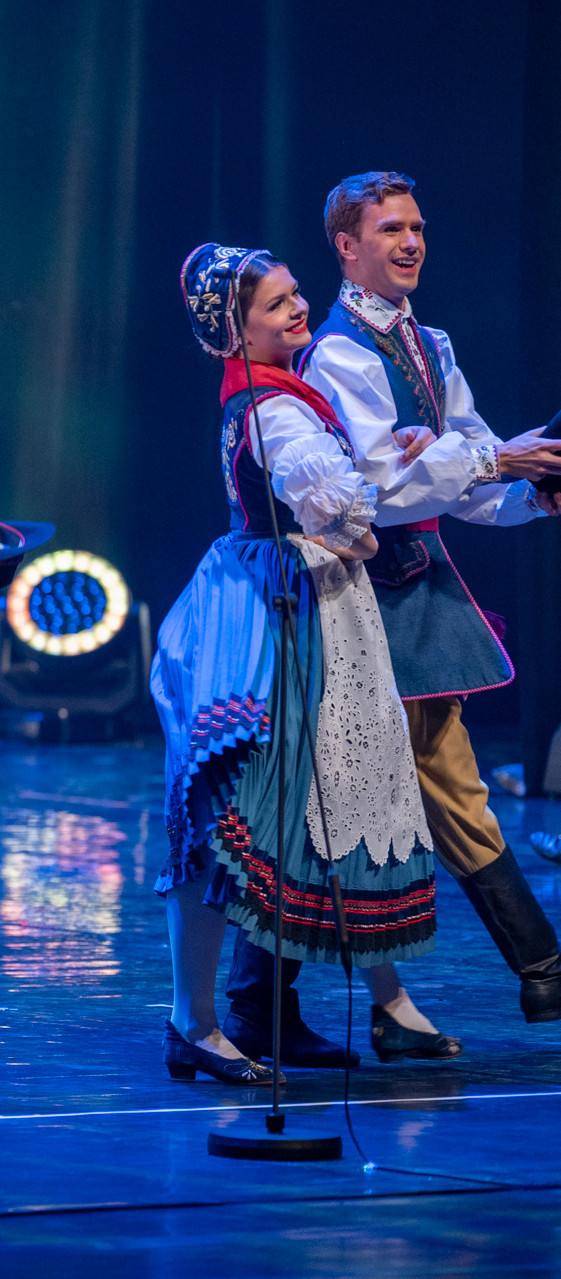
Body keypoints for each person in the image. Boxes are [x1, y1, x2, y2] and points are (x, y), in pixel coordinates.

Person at [155, 243, 452, 1086]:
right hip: (278, 608)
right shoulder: (272, 407)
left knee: (320, 801)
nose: (297, 308)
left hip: (302, 597)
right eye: (275, 304)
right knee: (234, 807)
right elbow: (332, 507)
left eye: (294, 294)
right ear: (237, 332)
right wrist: (362, 513)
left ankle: (341, 1007)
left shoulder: (282, 391)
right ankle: (195, 1019)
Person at [296, 171, 561, 1028]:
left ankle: (519, 972)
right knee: (388, 793)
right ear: (347, 246)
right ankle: (537, 966)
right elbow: (381, 488)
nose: (411, 242)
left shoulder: (429, 344)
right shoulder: (339, 354)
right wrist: (488, 461)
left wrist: (527, 489)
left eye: (417, 227)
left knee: (398, 793)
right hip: (363, 597)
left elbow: (468, 479)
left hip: (418, 591)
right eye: (391, 229)